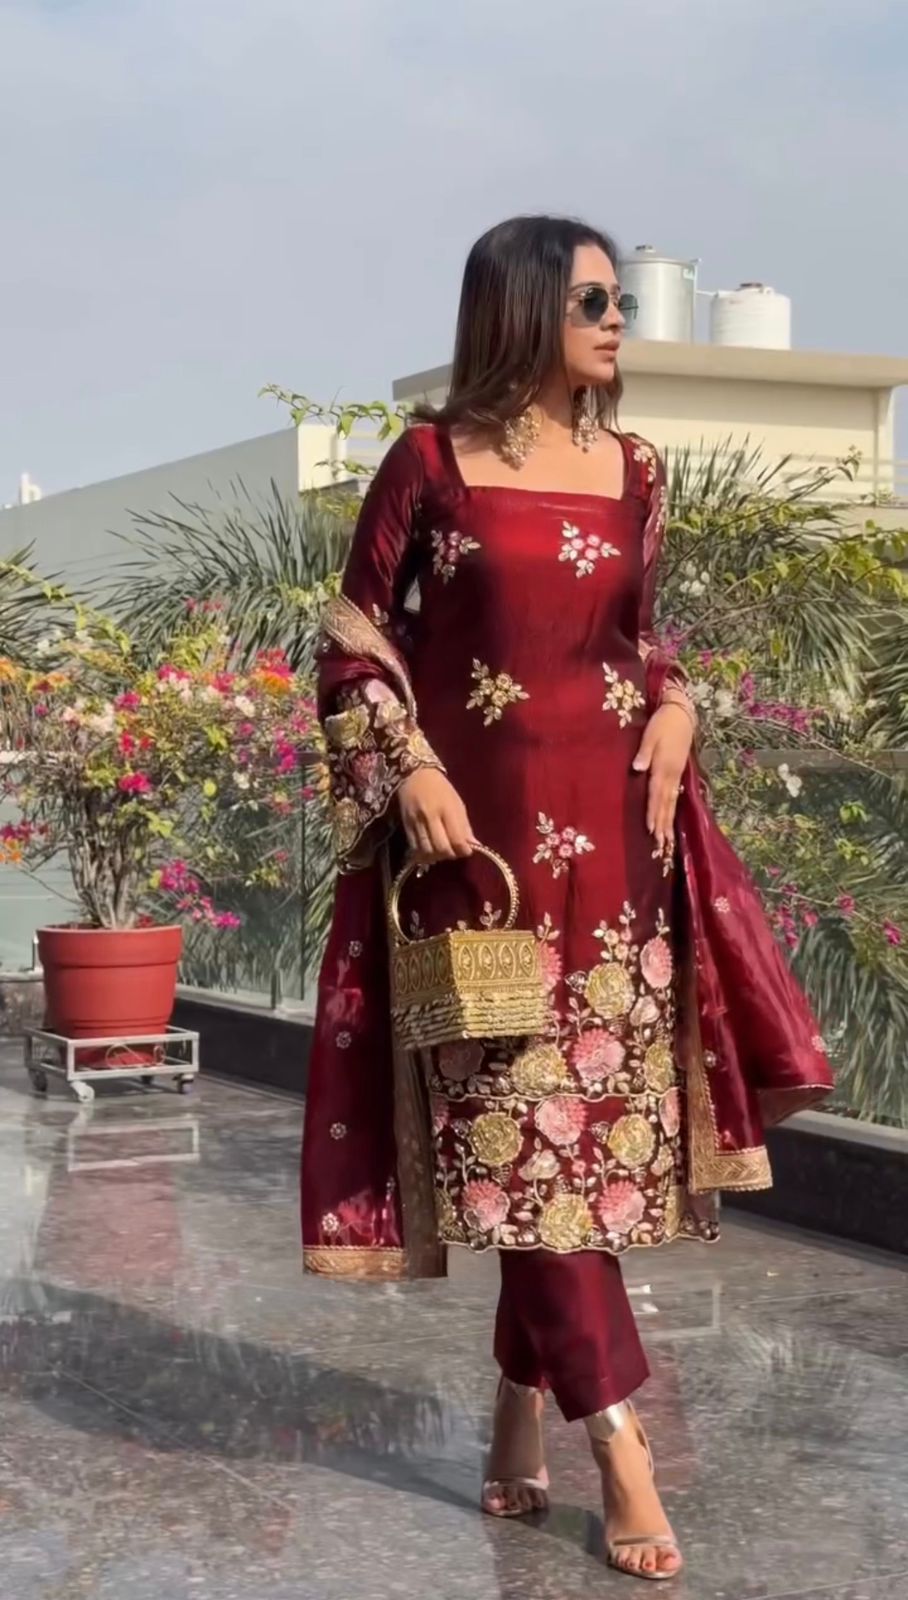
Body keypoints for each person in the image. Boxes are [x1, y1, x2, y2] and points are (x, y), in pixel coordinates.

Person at [302, 215, 833, 1582]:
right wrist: (409, 766)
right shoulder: (429, 462)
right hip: (477, 868)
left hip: (618, 862)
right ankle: (623, 1448)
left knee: (576, 1172)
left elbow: (642, 640)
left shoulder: (635, 469)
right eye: (593, 299)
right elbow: (352, 640)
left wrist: (680, 707)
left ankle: (517, 1400)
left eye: (618, 300)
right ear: (523, 309)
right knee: (520, 1151)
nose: (616, 321)